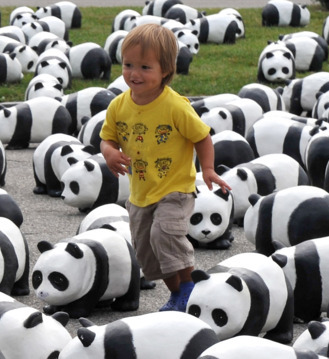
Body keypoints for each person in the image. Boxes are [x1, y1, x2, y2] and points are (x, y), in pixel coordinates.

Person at [99, 23, 232, 312]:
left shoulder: (175, 106)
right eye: (128, 64)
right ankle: (178, 293)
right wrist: (109, 153)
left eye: (145, 67)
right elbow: (107, 138)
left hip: (175, 190)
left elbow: (202, 136)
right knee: (148, 250)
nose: (134, 73)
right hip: (140, 194)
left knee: (165, 235)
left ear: (166, 71)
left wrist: (207, 169)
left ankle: (188, 289)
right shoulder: (118, 106)